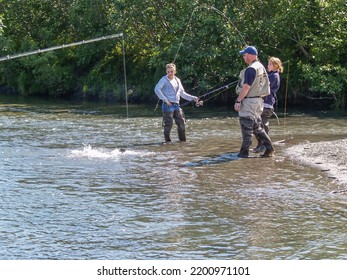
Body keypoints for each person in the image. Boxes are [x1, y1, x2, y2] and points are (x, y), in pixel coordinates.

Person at [234, 46, 275, 158]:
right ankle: (269, 148)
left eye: (244, 55)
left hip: (249, 102)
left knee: (246, 128)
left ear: (250, 55)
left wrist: (238, 101)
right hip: (258, 102)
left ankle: (243, 153)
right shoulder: (261, 67)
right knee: (257, 128)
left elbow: (246, 87)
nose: (243, 57)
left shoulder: (251, 69)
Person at [154, 63, 199, 143]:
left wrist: (193, 98)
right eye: (168, 72)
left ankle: (182, 142)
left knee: (182, 124)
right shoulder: (163, 79)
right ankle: (168, 143)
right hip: (167, 106)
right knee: (168, 125)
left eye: (171, 71)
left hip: (176, 105)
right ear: (166, 72)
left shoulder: (177, 80)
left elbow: (182, 93)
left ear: (175, 71)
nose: (170, 73)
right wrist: (165, 100)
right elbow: (157, 89)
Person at [253, 56, 284, 152]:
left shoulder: (274, 76)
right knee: (257, 125)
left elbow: (265, 88)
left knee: (262, 124)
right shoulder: (271, 75)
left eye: (270, 64)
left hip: (267, 104)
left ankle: (265, 145)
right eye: (268, 63)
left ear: (275, 66)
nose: (268, 65)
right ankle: (261, 144)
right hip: (263, 103)